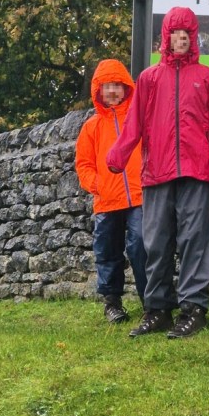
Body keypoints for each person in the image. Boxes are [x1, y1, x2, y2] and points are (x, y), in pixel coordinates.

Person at [107, 7, 209, 339]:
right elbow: (134, 123)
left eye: (187, 33)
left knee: (195, 240)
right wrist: (118, 155)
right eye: (176, 32)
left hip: (197, 170)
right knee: (156, 242)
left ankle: (193, 309)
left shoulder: (205, 76)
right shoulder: (149, 78)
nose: (181, 38)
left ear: (193, 38)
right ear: (165, 37)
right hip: (157, 171)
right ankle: (158, 310)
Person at [75, 59, 147, 324]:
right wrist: (99, 186)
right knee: (108, 251)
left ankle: (150, 301)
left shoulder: (138, 119)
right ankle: (112, 303)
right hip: (106, 201)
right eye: (108, 86)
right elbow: (83, 165)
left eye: (118, 85)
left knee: (141, 245)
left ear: (127, 87)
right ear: (99, 90)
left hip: (139, 196)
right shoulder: (91, 127)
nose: (113, 91)